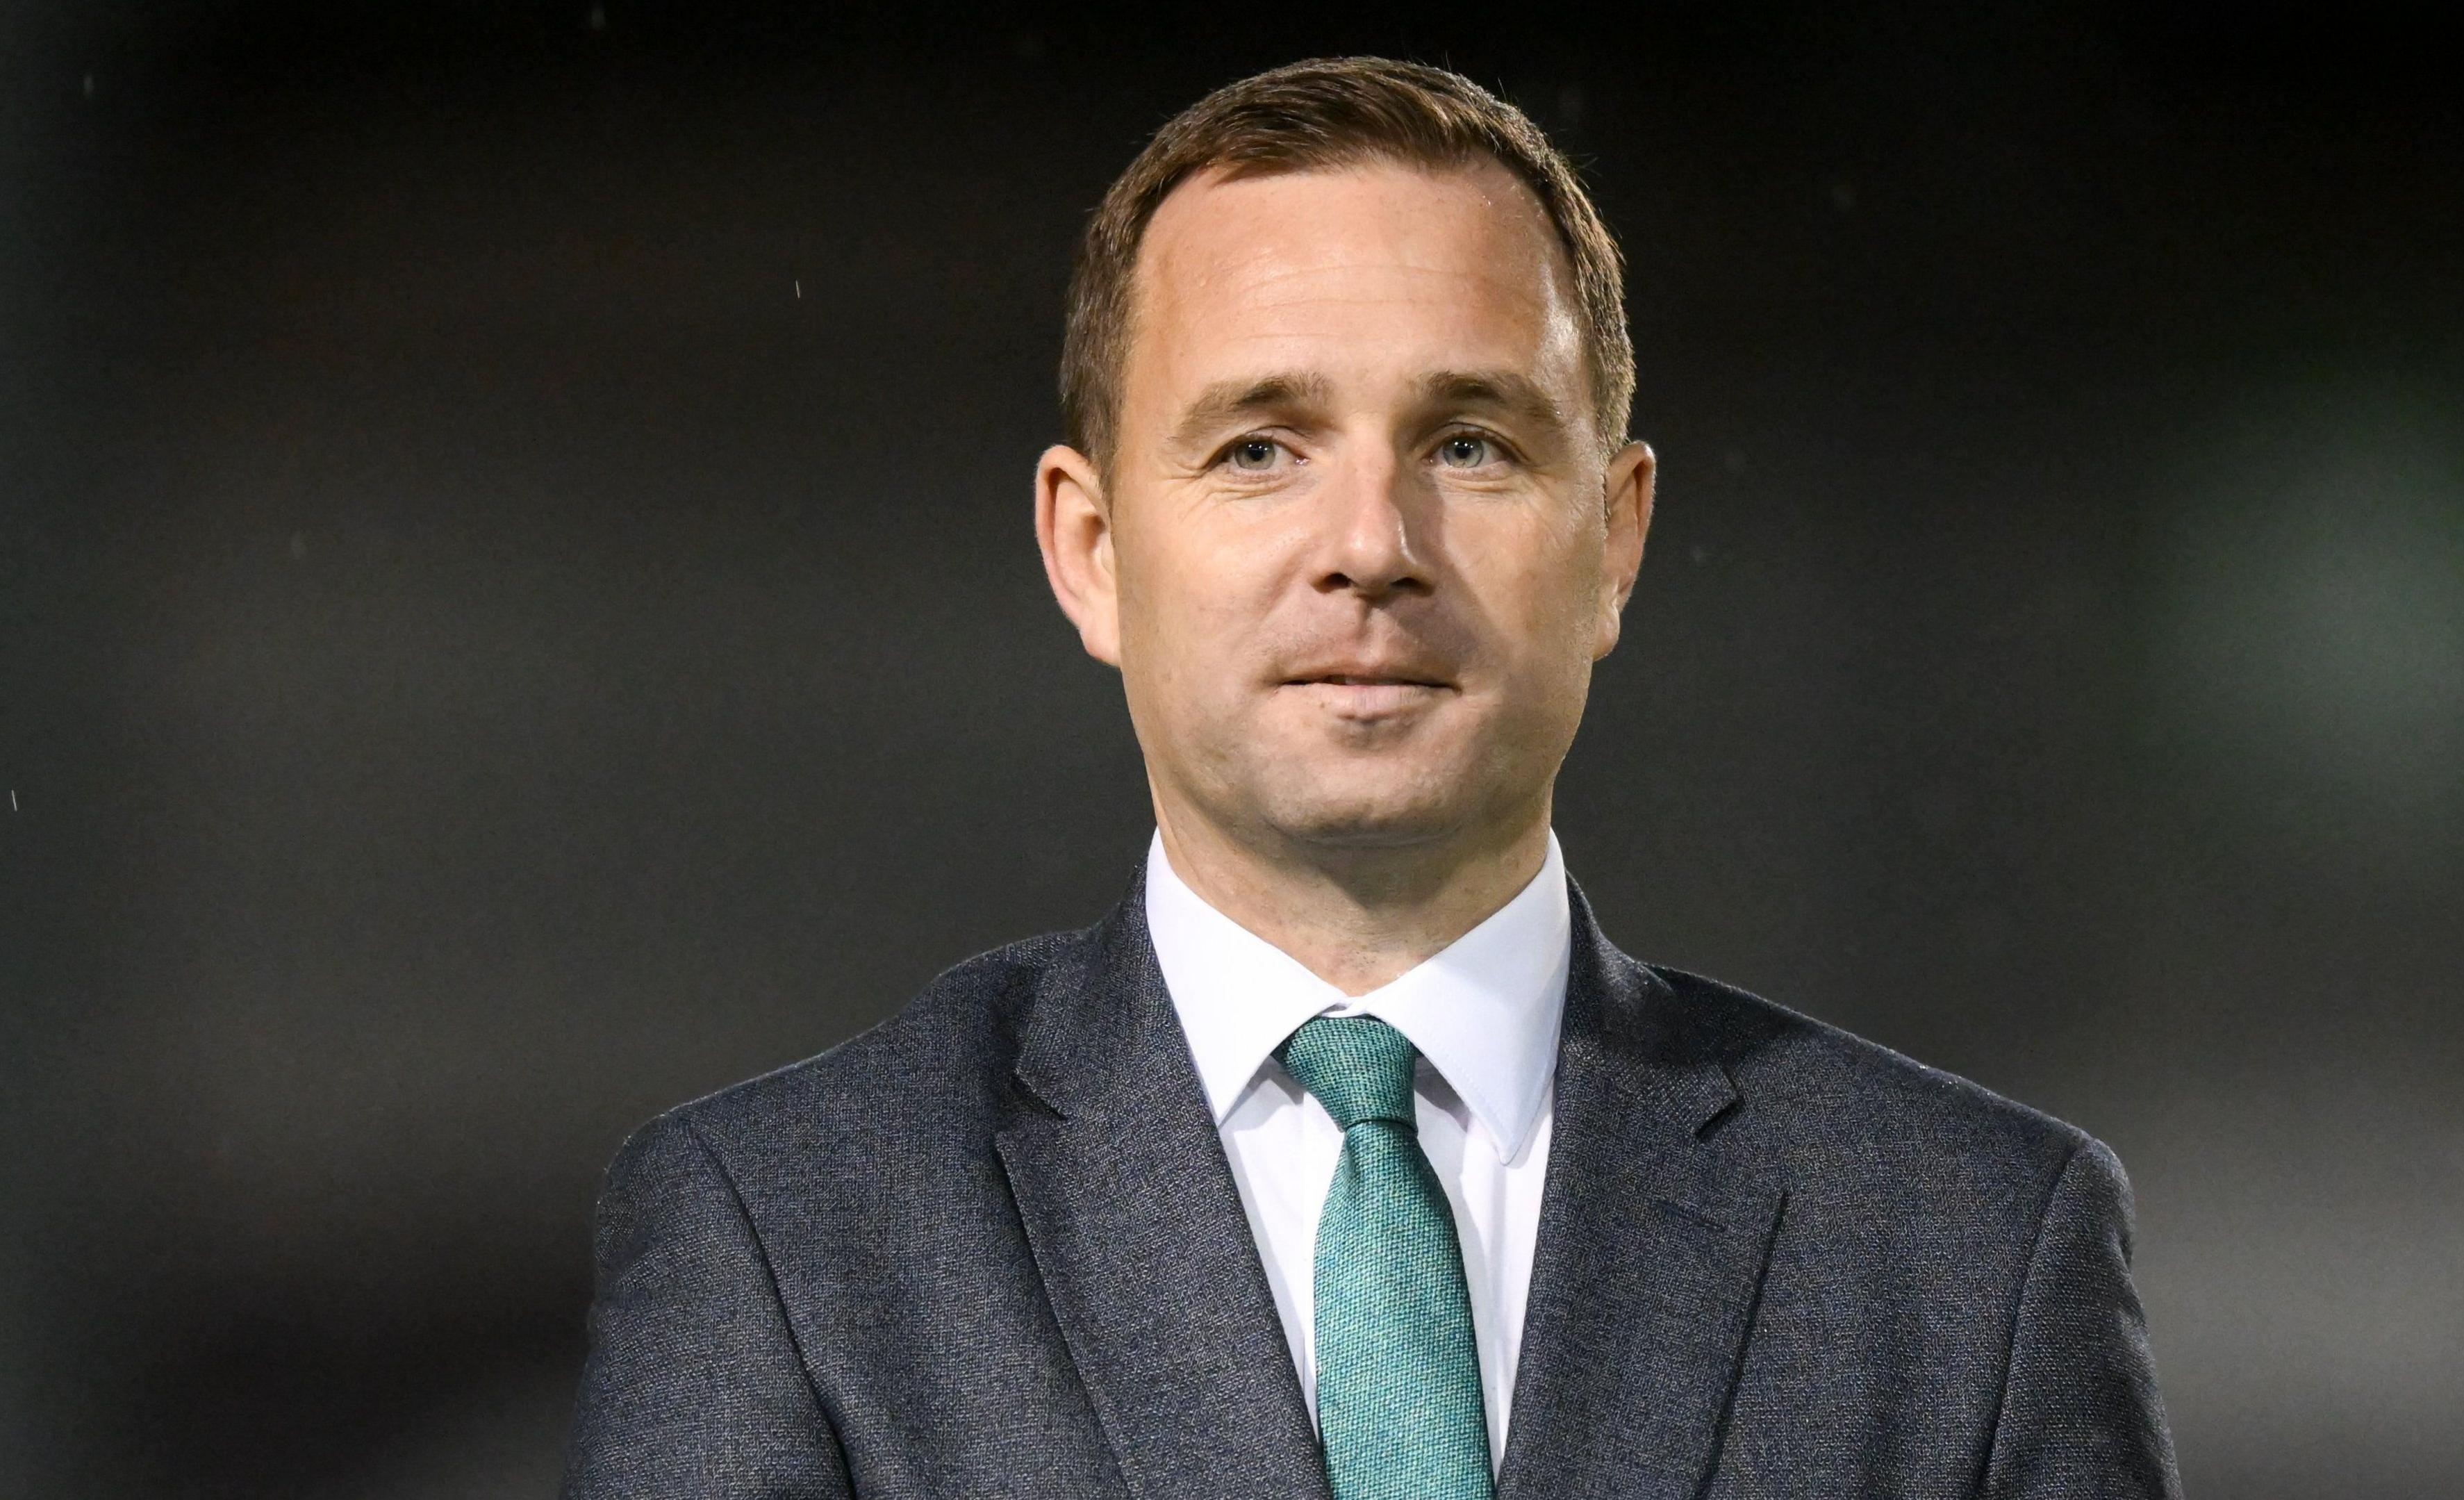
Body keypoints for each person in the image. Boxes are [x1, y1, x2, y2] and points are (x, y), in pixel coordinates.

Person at [561, 56, 2181, 1500]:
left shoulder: (1972, 1252)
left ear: (1615, 538)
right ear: (1092, 549)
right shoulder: (784, 1236)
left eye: (1470, 442)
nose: (1370, 550)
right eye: (1260, 447)